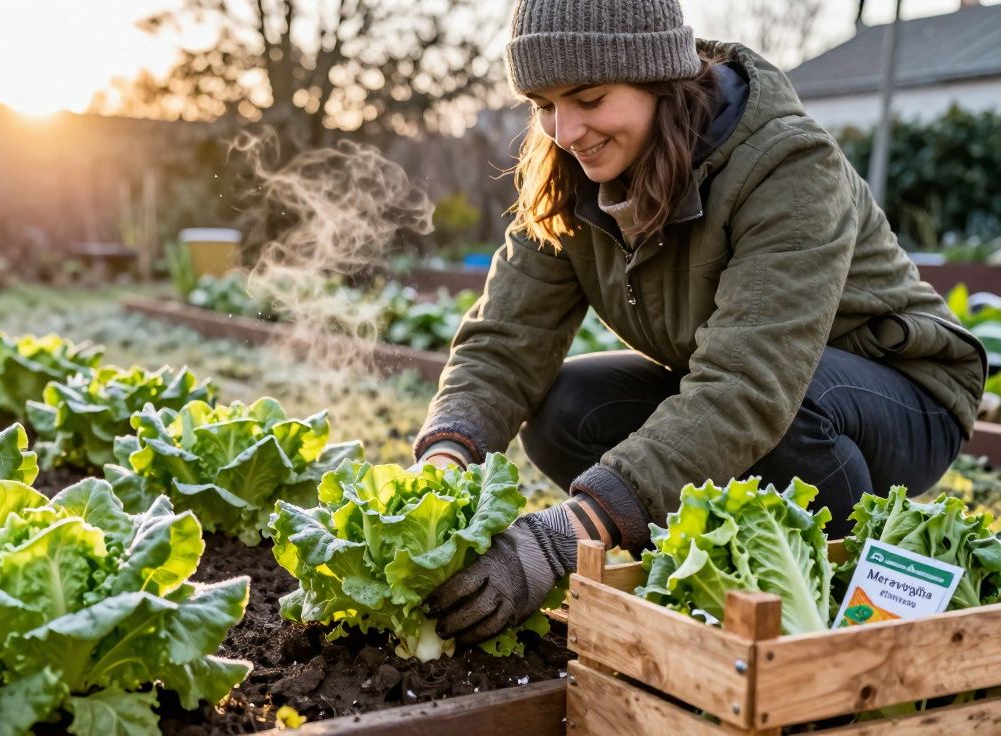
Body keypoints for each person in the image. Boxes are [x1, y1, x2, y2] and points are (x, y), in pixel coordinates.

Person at [414, 0, 987, 646]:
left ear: (659, 80)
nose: (566, 131)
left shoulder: (788, 165)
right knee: (564, 408)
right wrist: (442, 465)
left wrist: (564, 536)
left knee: (787, 415)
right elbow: (505, 345)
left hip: (900, 397)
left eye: (590, 98)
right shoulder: (568, 176)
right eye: (544, 105)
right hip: (754, 392)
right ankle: (709, 563)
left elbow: (750, 384)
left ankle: (829, 572)